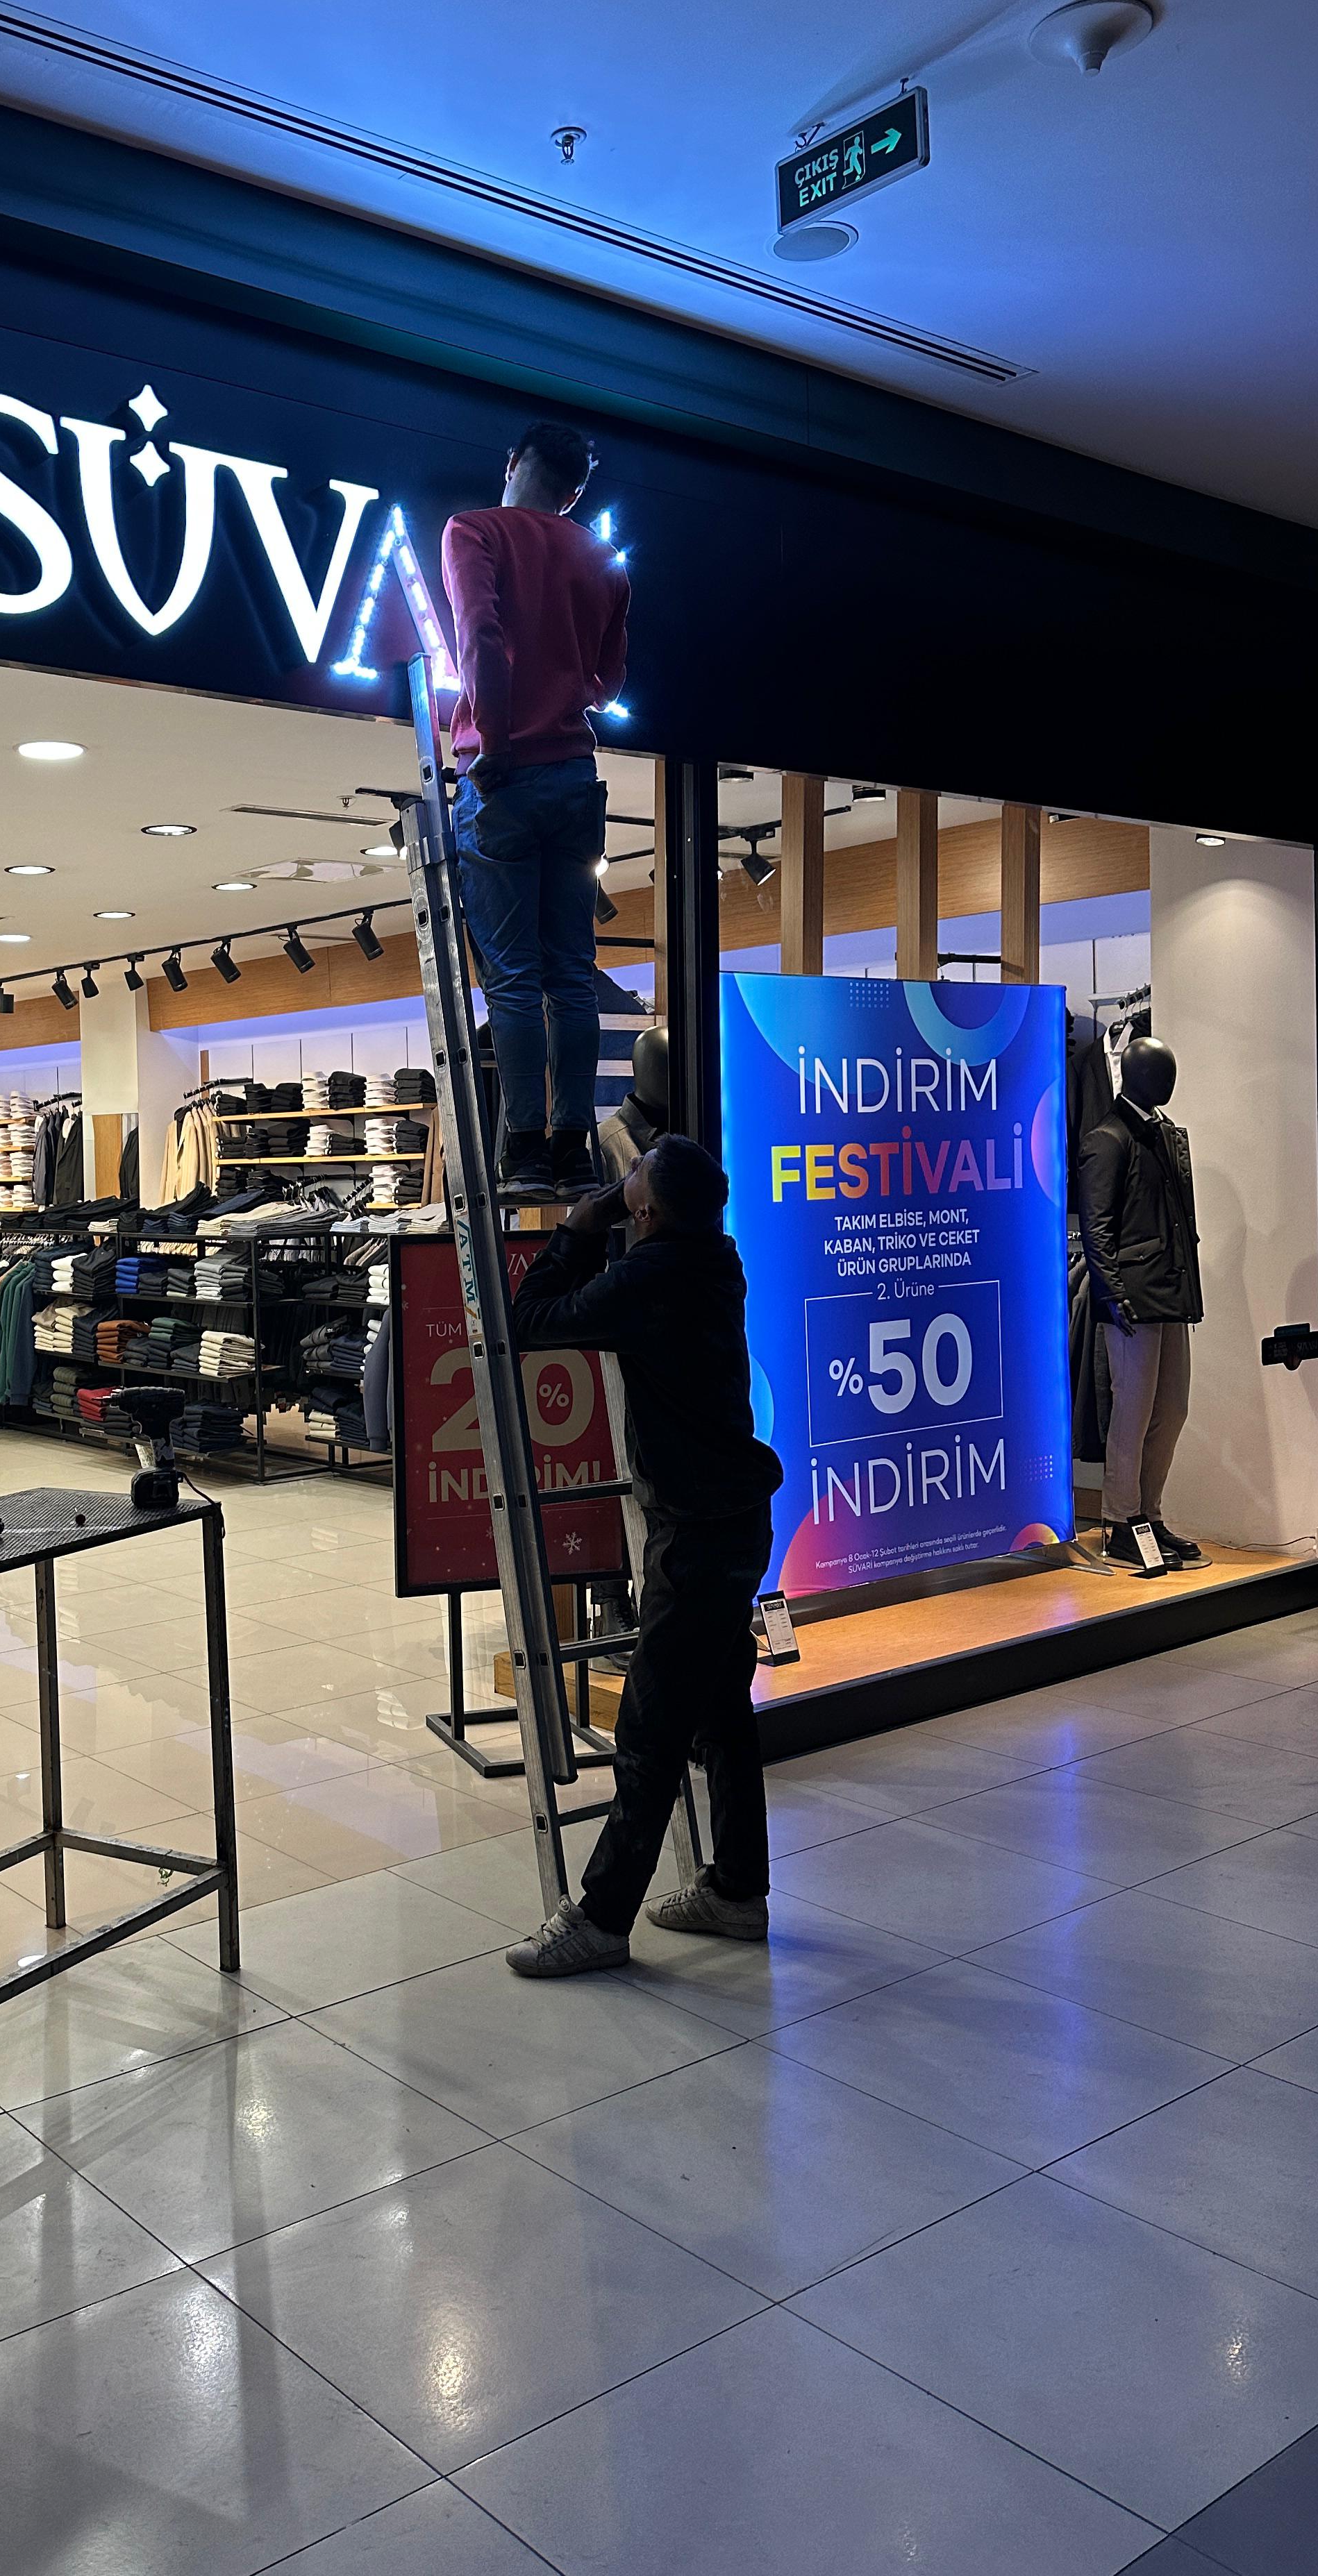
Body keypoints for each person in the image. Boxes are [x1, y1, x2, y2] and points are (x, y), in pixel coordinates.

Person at [502, 1134, 785, 1976]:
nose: (621, 1175)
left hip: (694, 1532)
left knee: (650, 1727)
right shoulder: (714, 1261)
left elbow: (529, 1320)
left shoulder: (648, 1277)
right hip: (737, 1517)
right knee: (722, 1711)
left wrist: (575, 1230)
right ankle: (737, 1888)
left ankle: (601, 1919)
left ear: (648, 1211)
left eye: (634, 1175)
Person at [442, 421, 630, 1202]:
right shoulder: (603, 558)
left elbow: (480, 636)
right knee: (572, 976)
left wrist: (492, 737)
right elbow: (609, 685)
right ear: (575, 491)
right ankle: (573, 1150)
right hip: (576, 774)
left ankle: (523, 1154)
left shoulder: (473, 531)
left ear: (513, 461)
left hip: (505, 773)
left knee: (514, 977)